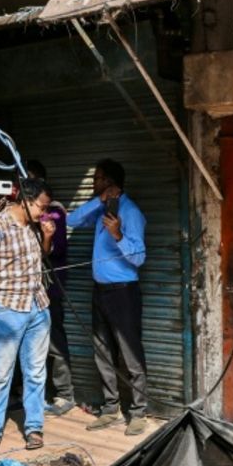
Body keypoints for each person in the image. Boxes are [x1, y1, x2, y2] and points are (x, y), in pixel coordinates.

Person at [0, 177, 52, 455]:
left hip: (38, 307)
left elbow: (39, 259)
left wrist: (47, 237)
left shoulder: (33, 227)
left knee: (36, 373)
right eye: (41, 206)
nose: (44, 212)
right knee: (1, 376)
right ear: (26, 203)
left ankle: (34, 428)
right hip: (8, 310)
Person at [68, 159, 150, 436]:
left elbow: (138, 257)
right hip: (100, 291)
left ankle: (138, 412)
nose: (94, 183)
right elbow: (72, 220)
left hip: (123, 292)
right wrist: (98, 200)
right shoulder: (102, 208)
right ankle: (111, 407)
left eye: (99, 179)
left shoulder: (131, 212)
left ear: (112, 182)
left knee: (130, 353)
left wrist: (117, 235)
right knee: (102, 351)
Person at [40, 180, 76, 416]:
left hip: (51, 290)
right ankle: (32, 393)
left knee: (55, 342)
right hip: (27, 293)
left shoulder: (55, 216)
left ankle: (64, 394)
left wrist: (47, 234)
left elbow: (58, 249)